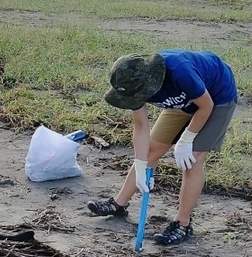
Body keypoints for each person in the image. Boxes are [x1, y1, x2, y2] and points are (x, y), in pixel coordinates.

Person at [87, 50, 237, 245]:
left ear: (150, 82)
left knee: (192, 158)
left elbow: (205, 106)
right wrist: (141, 165)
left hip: (215, 99)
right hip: (181, 103)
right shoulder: (133, 86)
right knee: (151, 151)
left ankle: (182, 224)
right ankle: (118, 203)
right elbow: (140, 126)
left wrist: (186, 139)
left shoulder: (179, 70)